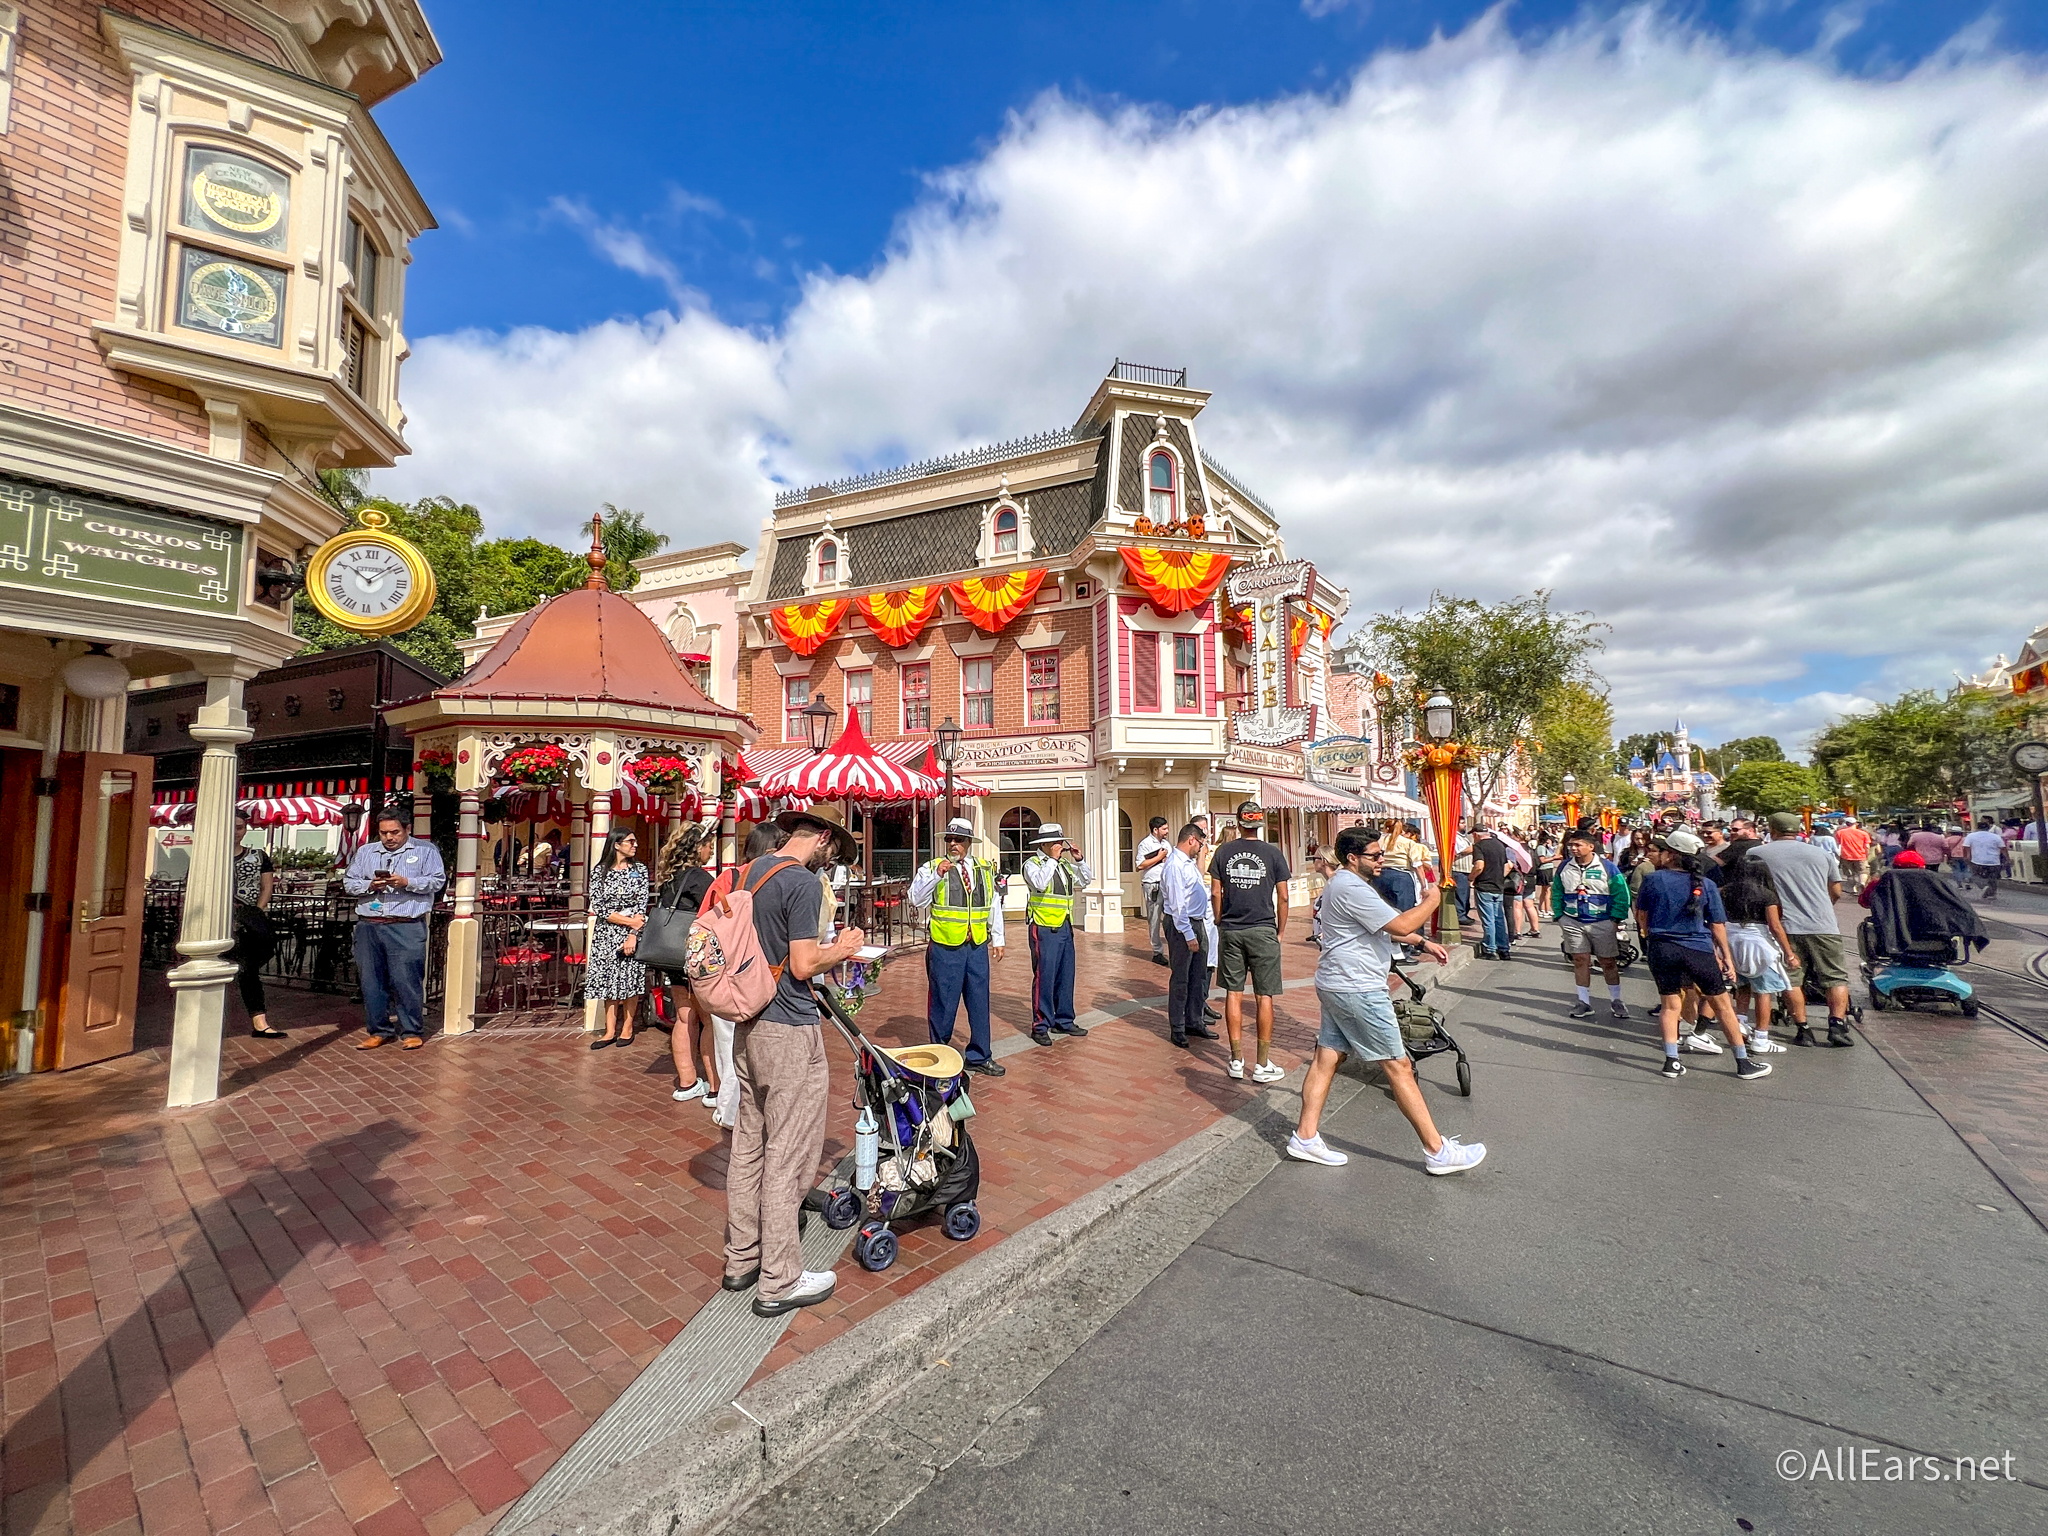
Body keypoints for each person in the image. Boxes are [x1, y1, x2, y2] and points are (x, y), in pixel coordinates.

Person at [724, 808, 867, 1317]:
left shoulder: (749, 872)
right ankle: (780, 1278)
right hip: (788, 1027)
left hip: (748, 1024)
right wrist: (843, 948)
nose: (831, 865)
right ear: (822, 838)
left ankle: (742, 1257)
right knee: (788, 1152)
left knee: (748, 1144)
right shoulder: (801, 883)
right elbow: (804, 964)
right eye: (835, 854)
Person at [1285, 825, 1487, 1173]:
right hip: (1358, 987)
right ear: (1353, 858)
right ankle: (1437, 1151)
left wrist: (1422, 942)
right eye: (1375, 856)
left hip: (1338, 982)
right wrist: (1432, 900)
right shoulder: (1350, 887)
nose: (1382, 860)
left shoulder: (1347, 884)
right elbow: (1399, 924)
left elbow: (1382, 926)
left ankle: (1305, 1137)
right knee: (1398, 1065)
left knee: (1326, 1058)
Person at [1636, 834, 1772, 1081]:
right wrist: (1726, 957)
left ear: (1672, 854)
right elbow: (1717, 924)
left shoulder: (1653, 879)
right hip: (1698, 949)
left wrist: (1650, 935)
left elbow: (1641, 915)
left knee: (1670, 1005)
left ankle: (1672, 1061)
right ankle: (1742, 1062)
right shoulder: (1706, 884)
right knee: (1722, 1005)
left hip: (1662, 948)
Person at [910, 817, 1006, 1077]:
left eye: (959, 840)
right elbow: (916, 899)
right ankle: (940, 1056)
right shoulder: (932, 867)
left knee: (979, 1001)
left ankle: (980, 1055)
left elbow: (993, 903)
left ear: (969, 843)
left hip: (976, 945)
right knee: (943, 1003)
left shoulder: (984, 868)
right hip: (945, 946)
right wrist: (936, 876)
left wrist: (998, 938)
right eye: (949, 839)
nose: (953, 844)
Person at [344, 809, 446, 1050]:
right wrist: (370, 885)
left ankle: (411, 1031)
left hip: (406, 925)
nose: (389, 837)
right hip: (369, 925)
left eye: (395, 832)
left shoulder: (426, 850)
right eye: (384, 833)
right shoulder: (366, 852)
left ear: (407, 829)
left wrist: (407, 882)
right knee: (371, 982)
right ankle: (379, 1030)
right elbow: (348, 882)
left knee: (406, 980)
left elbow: (437, 880)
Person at [1208, 801, 1291, 1084]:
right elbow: (1283, 896)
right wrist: (1280, 931)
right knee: (1263, 996)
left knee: (1233, 993)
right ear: (1259, 823)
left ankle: (1235, 1059)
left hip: (1232, 929)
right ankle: (1262, 1064)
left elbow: (1216, 892)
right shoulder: (1273, 853)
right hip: (1263, 928)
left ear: (1239, 822)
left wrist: (1219, 919)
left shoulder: (1223, 851)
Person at [1755, 811, 1852, 1048]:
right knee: (1835, 976)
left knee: (1791, 979)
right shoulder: (1822, 854)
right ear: (1798, 830)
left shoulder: (1757, 854)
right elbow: (1836, 890)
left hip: (1783, 925)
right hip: (1823, 924)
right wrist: (1823, 907)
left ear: (1772, 830)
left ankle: (1803, 1028)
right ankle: (1837, 1024)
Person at [656, 824, 720, 1102]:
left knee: (684, 1017)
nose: (710, 852)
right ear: (697, 847)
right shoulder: (699, 879)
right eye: (708, 846)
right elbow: (718, 911)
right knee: (709, 1020)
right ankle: (716, 1088)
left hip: (672, 954)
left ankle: (687, 1082)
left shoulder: (669, 878)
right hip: (696, 954)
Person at [1022, 823, 1092, 1047]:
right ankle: (1040, 1025)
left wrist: (1079, 860)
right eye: (1055, 842)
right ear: (1044, 844)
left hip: (1064, 926)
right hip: (1043, 927)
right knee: (1045, 976)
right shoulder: (1032, 864)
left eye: (1061, 842)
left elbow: (1086, 880)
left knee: (1066, 975)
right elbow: (1040, 884)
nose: (1060, 846)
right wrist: (1052, 859)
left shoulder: (1064, 865)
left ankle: (1064, 1019)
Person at [1551, 828, 1631, 1020]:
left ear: (1590, 847)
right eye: (1571, 845)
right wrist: (1559, 916)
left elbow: (1621, 894)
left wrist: (1615, 919)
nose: (1573, 848)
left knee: (1608, 962)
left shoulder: (1607, 867)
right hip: (1572, 921)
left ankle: (1616, 1000)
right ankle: (1583, 1002)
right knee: (1580, 960)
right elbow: (1557, 892)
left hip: (1602, 921)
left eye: (1578, 845)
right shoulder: (1564, 867)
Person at [1718, 853, 1794, 1052]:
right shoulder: (1767, 895)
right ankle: (1761, 1038)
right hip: (1758, 943)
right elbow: (1775, 926)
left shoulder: (1724, 891)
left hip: (1731, 940)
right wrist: (1789, 952)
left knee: (1741, 987)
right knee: (1763, 991)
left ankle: (1740, 1026)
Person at [586, 829, 649, 1049]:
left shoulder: (639, 870)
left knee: (630, 980)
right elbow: (600, 906)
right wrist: (630, 922)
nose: (635, 845)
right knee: (608, 981)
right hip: (607, 932)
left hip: (631, 932)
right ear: (616, 844)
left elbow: (642, 903)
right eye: (630, 841)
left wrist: (633, 933)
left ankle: (627, 1027)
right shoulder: (600, 872)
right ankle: (609, 1030)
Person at [1160, 822, 1219, 1049]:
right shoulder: (1175, 865)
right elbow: (1177, 905)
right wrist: (1188, 934)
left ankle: (1194, 1020)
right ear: (1191, 839)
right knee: (1181, 978)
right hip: (1182, 925)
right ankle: (1177, 1027)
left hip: (1197, 922)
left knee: (1198, 975)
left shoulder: (1188, 863)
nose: (1201, 848)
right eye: (1200, 844)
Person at [229, 808, 284, 1039]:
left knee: (249, 969)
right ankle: (258, 1021)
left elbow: (266, 886)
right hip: (220, 919)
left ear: (246, 829)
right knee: (242, 970)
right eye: (232, 827)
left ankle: (259, 1021)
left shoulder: (258, 856)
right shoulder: (212, 857)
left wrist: (256, 912)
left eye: (240, 827)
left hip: (248, 920)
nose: (235, 832)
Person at [1469, 823, 1513, 960]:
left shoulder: (1479, 846)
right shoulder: (1499, 845)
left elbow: (1479, 865)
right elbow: (1508, 865)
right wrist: (1499, 877)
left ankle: (1490, 948)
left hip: (1484, 886)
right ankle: (1503, 948)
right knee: (1499, 918)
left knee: (1488, 920)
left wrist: (1471, 877)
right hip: (1498, 886)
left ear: (1476, 835)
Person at [1134, 816, 1171, 963]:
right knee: (1154, 918)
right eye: (1164, 829)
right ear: (1155, 830)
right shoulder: (1145, 844)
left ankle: (1174, 948)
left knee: (1171, 917)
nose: (1167, 831)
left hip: (1166, 884)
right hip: (1152, 885)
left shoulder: (1167, 844)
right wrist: (1159, 857)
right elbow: (1139, 865)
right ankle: (1157, 952)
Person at [1963, 817, 2008, 901]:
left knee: (1976, 875)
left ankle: (1984, 886)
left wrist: (1968, 856)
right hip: (1994, 861)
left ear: (1977, 828)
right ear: (1988, 828)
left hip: (1977, 860)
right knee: (1993, 878)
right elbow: (2003, 848)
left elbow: (1966, 847)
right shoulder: (1996, 837)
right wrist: (2007, 858)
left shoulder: (1971, 836)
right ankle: (1991, 894)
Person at [1833, 816, 1873, 896]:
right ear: (1855, 824)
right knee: (1863, 871)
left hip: (1845, 856)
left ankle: (1853, 888)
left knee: (1851, 873)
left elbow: (1837, 844)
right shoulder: (1863, 833)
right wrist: (1866, 855)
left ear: (1846, 823)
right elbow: (1867, 846)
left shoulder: (1840, 833)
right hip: (1860, 855)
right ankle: (1862, 883)